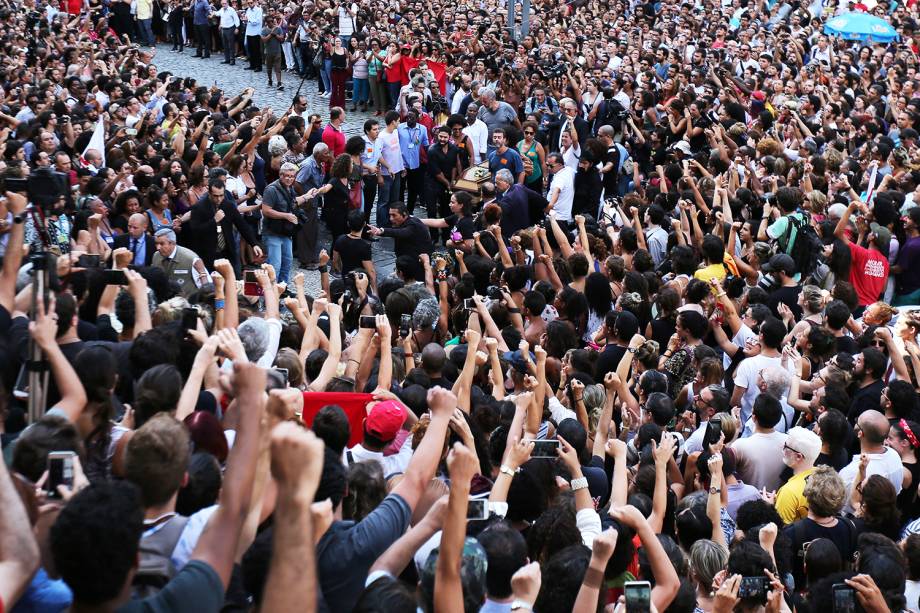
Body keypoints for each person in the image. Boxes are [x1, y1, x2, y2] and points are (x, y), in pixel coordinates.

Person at [152, 228, 210, 297]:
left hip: (187, 303)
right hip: (165, 303)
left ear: (173, 243)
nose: (158, 248)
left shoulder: (190, 258)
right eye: (156, 244)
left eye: (162, 244)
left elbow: (206, 287)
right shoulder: (156, 256)